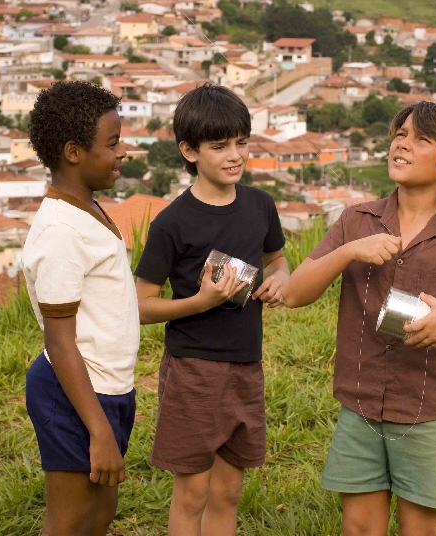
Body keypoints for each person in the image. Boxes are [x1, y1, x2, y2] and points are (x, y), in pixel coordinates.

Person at [282, 101, 436, 536]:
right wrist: (347, 252)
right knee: (357, 526)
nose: (402, 144)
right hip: (359, 404)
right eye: (400, 134)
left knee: (420, 529)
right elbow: (295, 293)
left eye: (421, 139)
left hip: (430, 409)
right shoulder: (356, 220)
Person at [134, 84, 289, 536]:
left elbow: (276, 259)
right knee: (193, 492)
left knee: (227, 492)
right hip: (193, 370)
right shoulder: (172, 223)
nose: (234, 155)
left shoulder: (260, 205)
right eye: (220, 146)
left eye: (241, 142)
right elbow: (141, 305)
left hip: (246, 365)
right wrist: (201, 302)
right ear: (189, 150)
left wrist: (280, 279)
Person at [22, 80, 138, 536]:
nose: (122, 152)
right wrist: (99, 429)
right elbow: (60, 339)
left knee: (100, 512)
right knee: (70, 521)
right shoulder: (61, 233)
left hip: (104, 387)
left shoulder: (87, 208)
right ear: (73, 152)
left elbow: (112, 306)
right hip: (73, 393)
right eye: (112, 144)